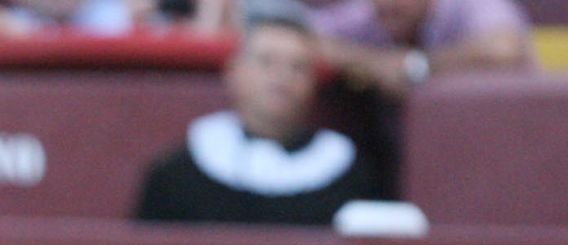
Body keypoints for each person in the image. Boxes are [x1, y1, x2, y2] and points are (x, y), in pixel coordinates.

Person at [133, 5, 382, 227]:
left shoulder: (348, 175)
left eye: (298, 66)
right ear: (233, 72)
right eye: (266, 62)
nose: (282, 77)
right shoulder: (178, 174)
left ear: (314, 82)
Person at [313, 0, 534, 100]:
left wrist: (418, 66)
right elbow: (301, 39)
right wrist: (375, 62)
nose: (388, 4)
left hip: (501, 135)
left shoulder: (470, 5)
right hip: (400, 156)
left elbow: (504, 50)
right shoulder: (371, 13)